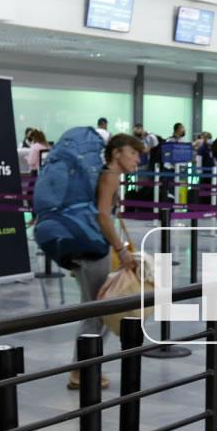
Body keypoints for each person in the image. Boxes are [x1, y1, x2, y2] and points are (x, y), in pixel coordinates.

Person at [67, 133, 145, 391]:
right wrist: (120, 249)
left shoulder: (110, 174)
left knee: (97, 309)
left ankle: (85, 367)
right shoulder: (110, 175)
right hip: (94, 250)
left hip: (90, 248)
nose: (137, 158)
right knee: (96, 312)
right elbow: (102, 216)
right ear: (116, 153)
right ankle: (81, 371)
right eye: (132, 153)